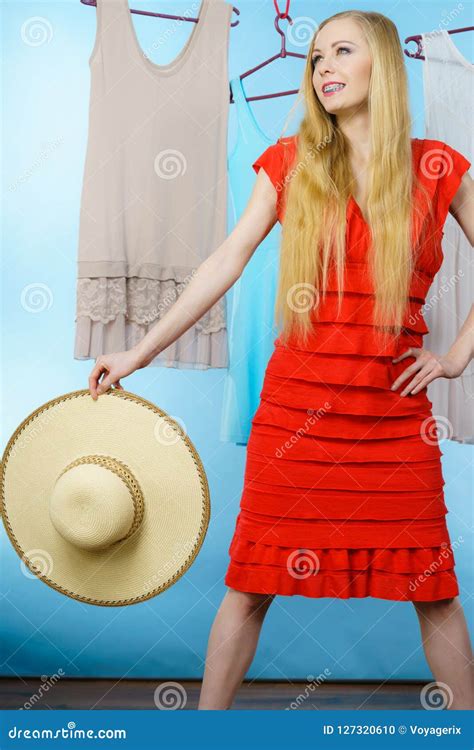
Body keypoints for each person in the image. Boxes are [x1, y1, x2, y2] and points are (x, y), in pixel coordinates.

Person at [88, 10, 474, 710]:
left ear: (380, 64)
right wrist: (138, 351)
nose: (324, 65)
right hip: (298, 412)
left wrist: (454, 359)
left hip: (394, 421)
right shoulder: (291, 162)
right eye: (316, 55)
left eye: (342, 51)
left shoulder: (438, 166)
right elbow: (222, 263)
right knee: (249, 588)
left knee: (435, 590)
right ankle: (206, 733)